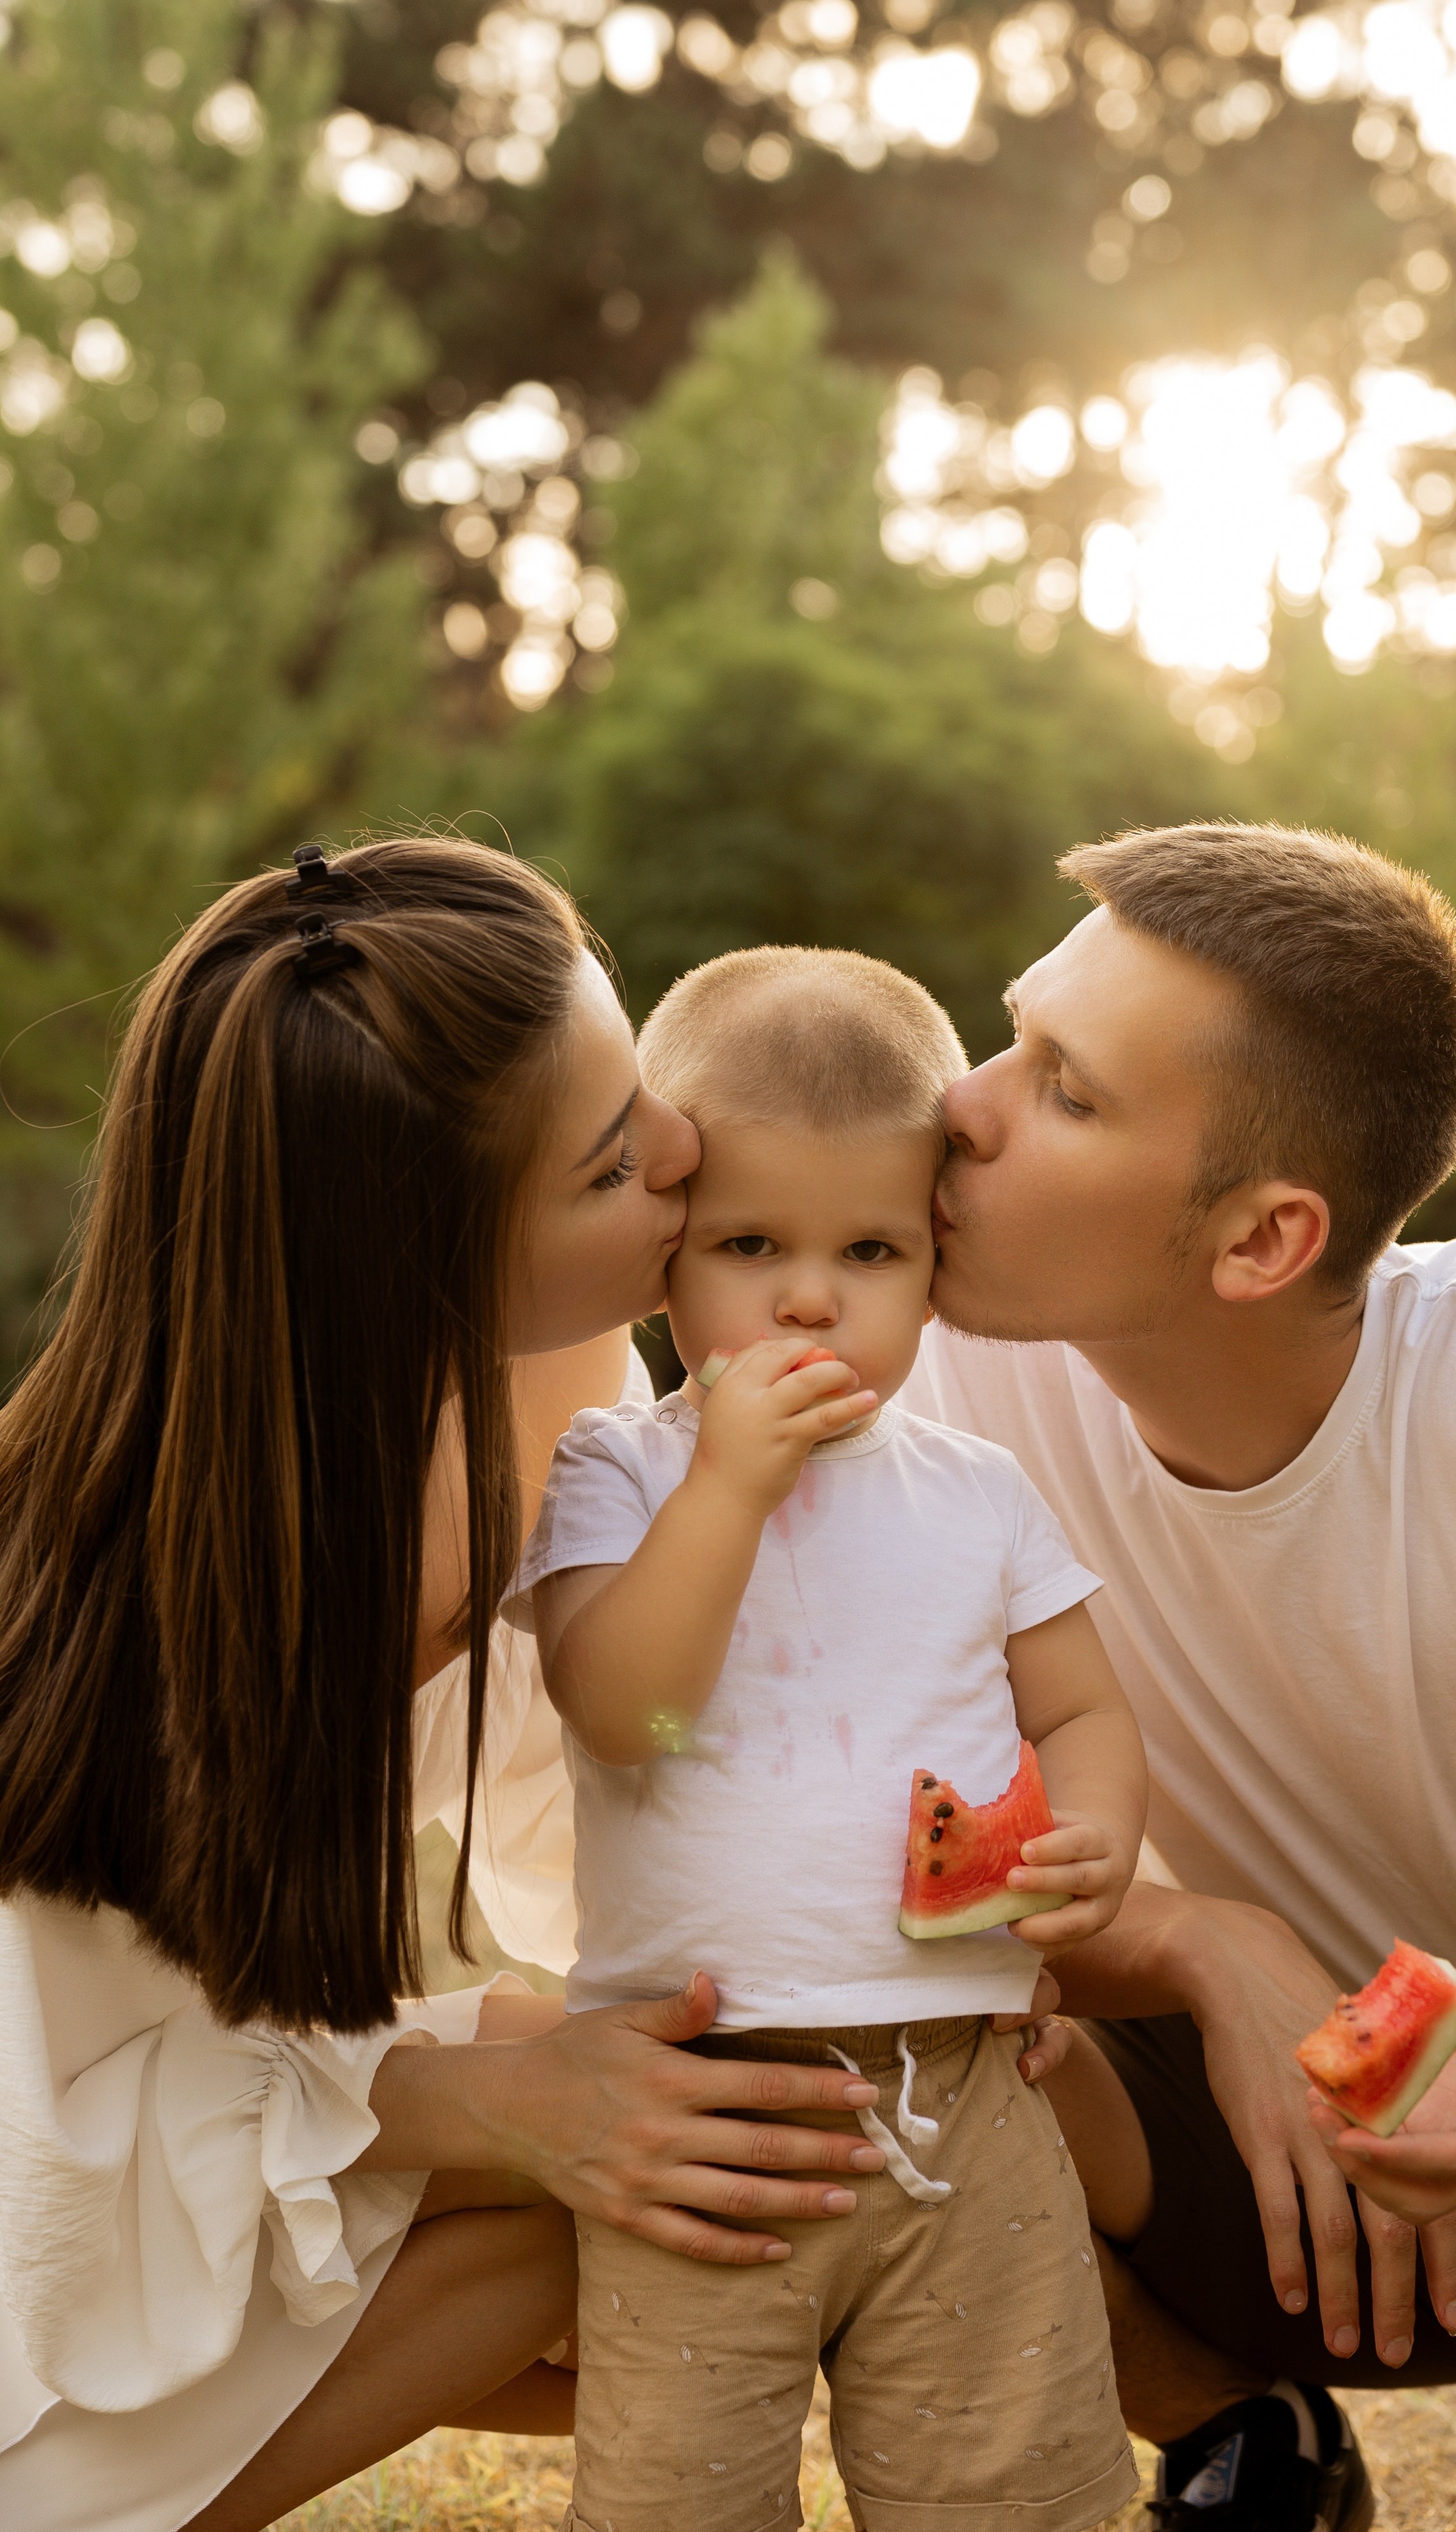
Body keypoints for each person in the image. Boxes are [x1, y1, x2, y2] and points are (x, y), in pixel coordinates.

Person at [0, 839, 896, 2532]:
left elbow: (625, 1783)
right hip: (39, 2186)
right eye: (612, 1164)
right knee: (645, 2178)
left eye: (642, 1091)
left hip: (198, 2074)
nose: (684, 1153)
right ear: (422, 1269)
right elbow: (89, 2087)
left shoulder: (551, 1380)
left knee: (752, 2120)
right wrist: (507, 2099)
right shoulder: (213, 1594)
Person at [898, 820, 1456, 2532]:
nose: (962, 1107)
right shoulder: (949, 1391)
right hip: (1237, 2164)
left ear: (1262, 1240)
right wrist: (1204, 1944)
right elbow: (863, 1842)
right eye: (1010, 1036)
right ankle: (1240, 2443)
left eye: (1064, 1089)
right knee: (833, 2020)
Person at [514, 945, 1148, 2532]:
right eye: (748, 1244)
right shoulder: (620, 1472)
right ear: (665, 1264)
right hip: (705, 2112)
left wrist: (1092, 1839)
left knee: (1013, 2485)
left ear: (933, 1266)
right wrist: (725, 1487)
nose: (809, 1295)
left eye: (866, 1246)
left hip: (968, 2093)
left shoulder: (979, 1493)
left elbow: (1077, 1708)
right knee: (680, 2497)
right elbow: (626, 1713)